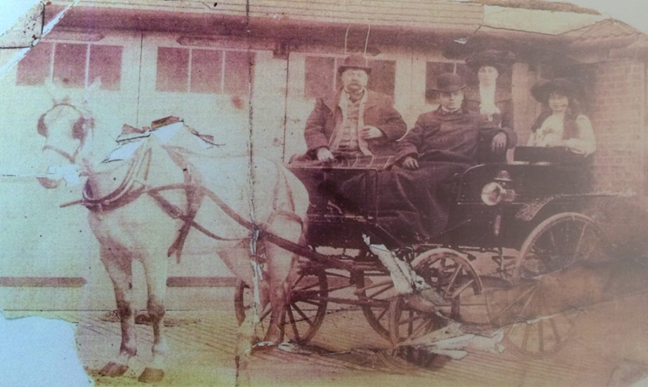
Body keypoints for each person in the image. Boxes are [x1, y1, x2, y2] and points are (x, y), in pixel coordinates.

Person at [368, 73, 518, 243]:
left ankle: (418, 228)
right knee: (389, 177)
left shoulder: (476, 118)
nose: (452, 99)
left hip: (457, 166)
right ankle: (392, 221)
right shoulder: (426, 118)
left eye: (456, 94)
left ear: (462, 96)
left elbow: (507, 133)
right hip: (426, 163)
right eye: (447, 95)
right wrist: (408, 154)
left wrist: (503, 133)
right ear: (439, 97)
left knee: (421, 180)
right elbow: (409, 140)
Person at [303, 54, 407, 162]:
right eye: (350, 74)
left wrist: (380, 131)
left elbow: (400, 125)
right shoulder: (326, 101)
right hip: (332, 154)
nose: (354, 78)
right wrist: (321, 148)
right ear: (342, 77)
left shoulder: (381, 100)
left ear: (366, 79)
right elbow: (313, 127)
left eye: (359, 75)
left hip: (368, 155)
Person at [464, 49, 517, 162]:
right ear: (477, 73)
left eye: (490, 71)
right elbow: (461, 121)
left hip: (495, 143)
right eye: (483, 71)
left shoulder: (506, 96)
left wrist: (503, 134)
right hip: (471, 144)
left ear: (497, 74)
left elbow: (509, 125)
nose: (486, 74)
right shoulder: (467, 93)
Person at [527, 78, 596, 156]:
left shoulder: (578, 119)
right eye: (552, 98)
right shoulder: (543, 119)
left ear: (568, 99)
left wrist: (564, 143)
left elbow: (590, 146)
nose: (556, 102)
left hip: (565, 164)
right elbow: (530, 145)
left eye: (560, 98)